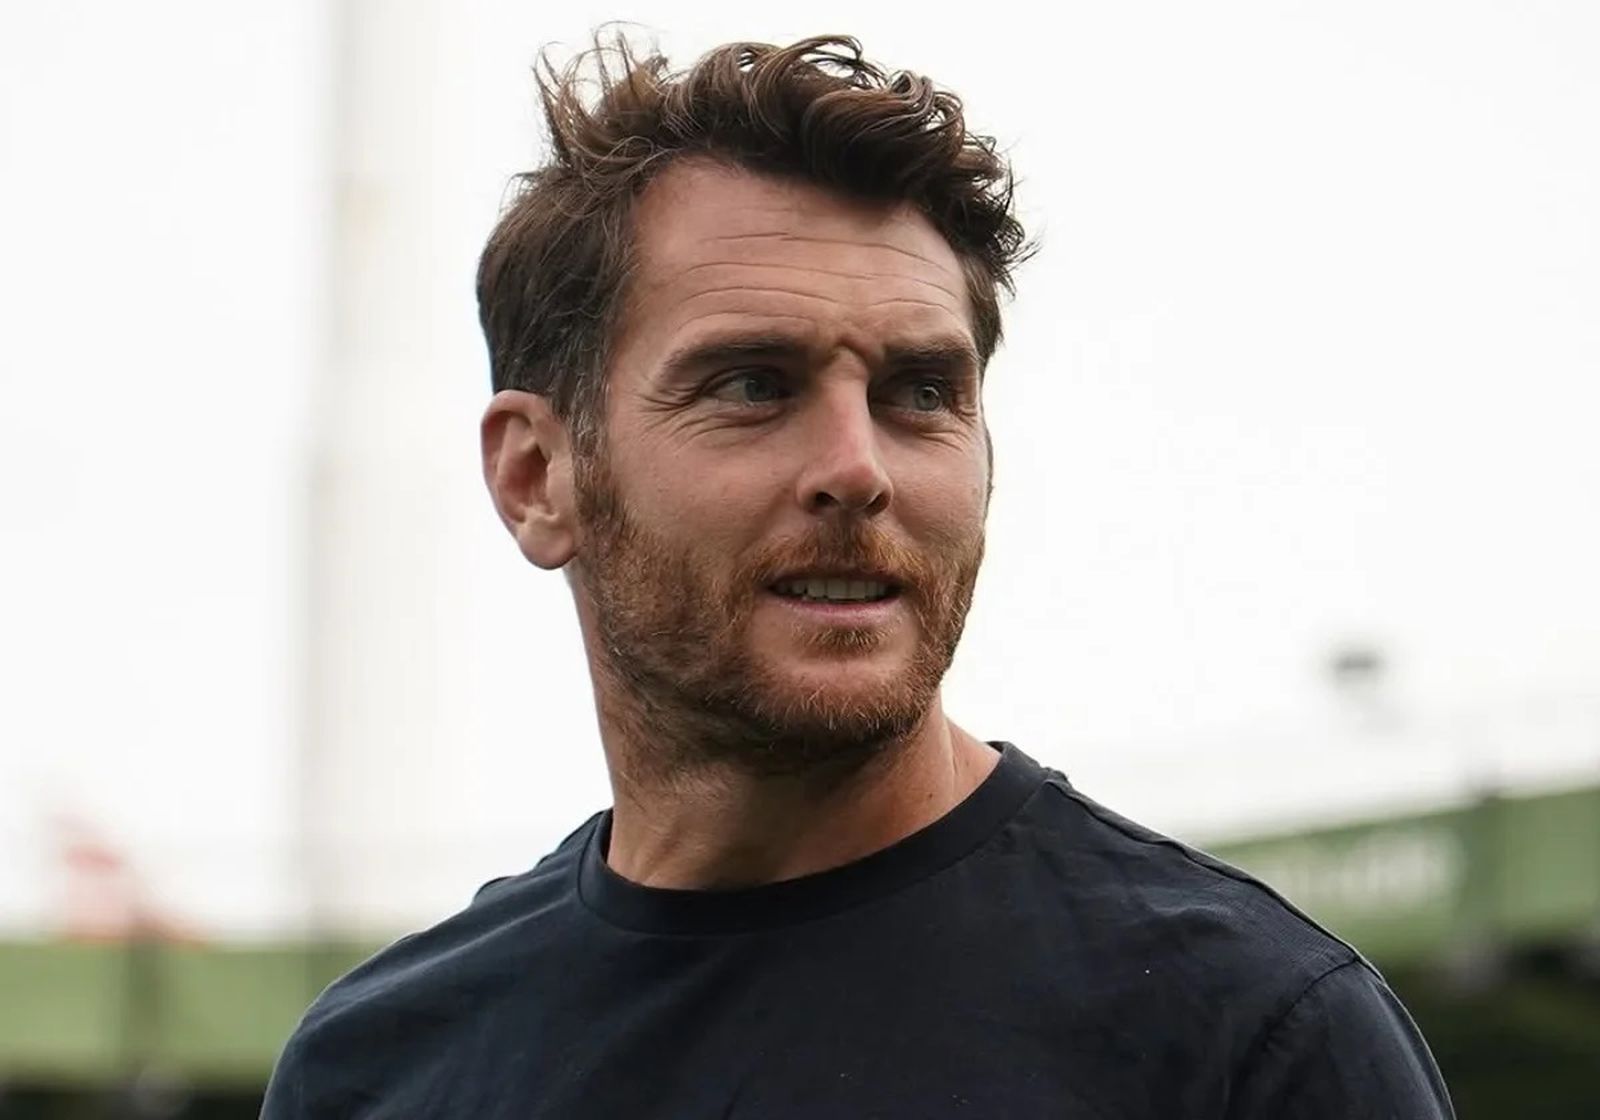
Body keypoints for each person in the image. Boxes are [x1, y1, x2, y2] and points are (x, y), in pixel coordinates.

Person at [262, 33, 1455, 1119]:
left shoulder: (1246, 1039)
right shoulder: (377, 1069)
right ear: (537, 475)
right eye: (753, 385)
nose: (856, 468)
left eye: (919, 394)